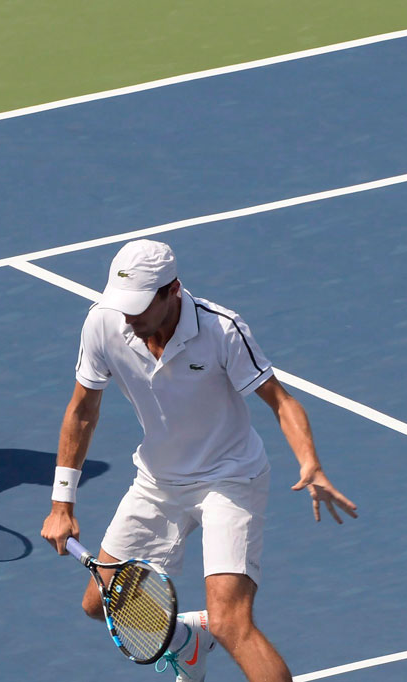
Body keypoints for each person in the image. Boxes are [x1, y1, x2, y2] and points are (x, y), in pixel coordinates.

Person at [40, 240, 357, 682]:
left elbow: (281, 402)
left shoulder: (222, 330)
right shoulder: (105, 323)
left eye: (139, 306)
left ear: (173, 291)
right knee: (99, 606)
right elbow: (81, 411)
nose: (128, 319)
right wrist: (62, 504)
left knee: (230, 623)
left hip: (230, 480)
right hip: (158, 481)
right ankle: (186, 642)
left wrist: (311, 463)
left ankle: (210, 633)